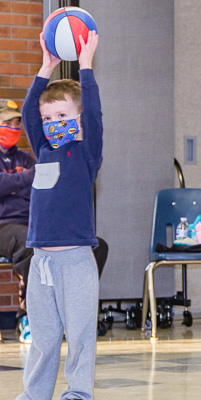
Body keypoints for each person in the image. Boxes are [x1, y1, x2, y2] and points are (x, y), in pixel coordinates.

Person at [16, 31, 101, 400]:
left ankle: (78, 393)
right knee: (44, 336)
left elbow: (95, 115)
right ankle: (35, 394)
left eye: (63, 115)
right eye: (49, 117)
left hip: (77, 261)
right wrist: (45, 68)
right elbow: (27, 114)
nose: (53, 122)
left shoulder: (85, 155)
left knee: (80, 332)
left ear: (79, 119)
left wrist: (85, 68)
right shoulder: (44, 151)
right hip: (41, 264)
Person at [0, 100, 108, 344]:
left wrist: (17, 182)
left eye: (17, 123)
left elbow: (44, 187)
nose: (14, 128)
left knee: (96, 245)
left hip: (33, 222)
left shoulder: (28, 158)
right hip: (4, 226)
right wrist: (26, 179)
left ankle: (73, 312)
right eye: (7, 123)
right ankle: (28, 316)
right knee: (31, 245)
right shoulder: (32, 164)